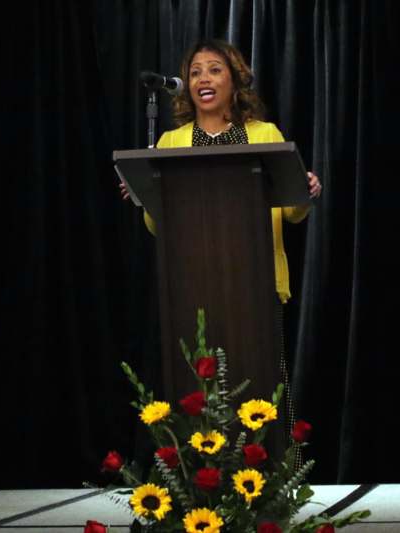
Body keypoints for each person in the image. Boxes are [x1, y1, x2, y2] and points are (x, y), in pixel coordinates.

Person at [120, 39, 320, 445]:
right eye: (195, 72)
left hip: (256, 286)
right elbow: (159, 227)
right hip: (190, 288)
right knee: (198, 391)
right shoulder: (170, 143)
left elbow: (291, 213)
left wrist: (306, 190)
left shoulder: (264, 134)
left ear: (234, 80)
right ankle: (202, 487)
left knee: (259, 387)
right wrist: (144, 195)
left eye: (214, 69)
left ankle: (268, 487)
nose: (202, 79)